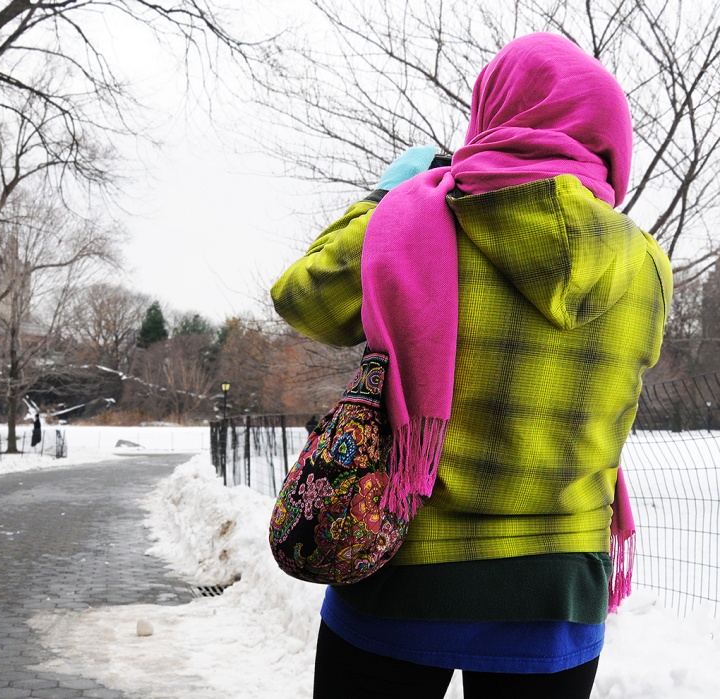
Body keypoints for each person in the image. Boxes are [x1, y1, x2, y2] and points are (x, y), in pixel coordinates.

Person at [270, 33, 672, 699]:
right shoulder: (648, 265)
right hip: (559, 586)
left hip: (401, 574)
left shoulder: (410, 220)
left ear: (495, 110)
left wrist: (381, 196)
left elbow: (303, 298)